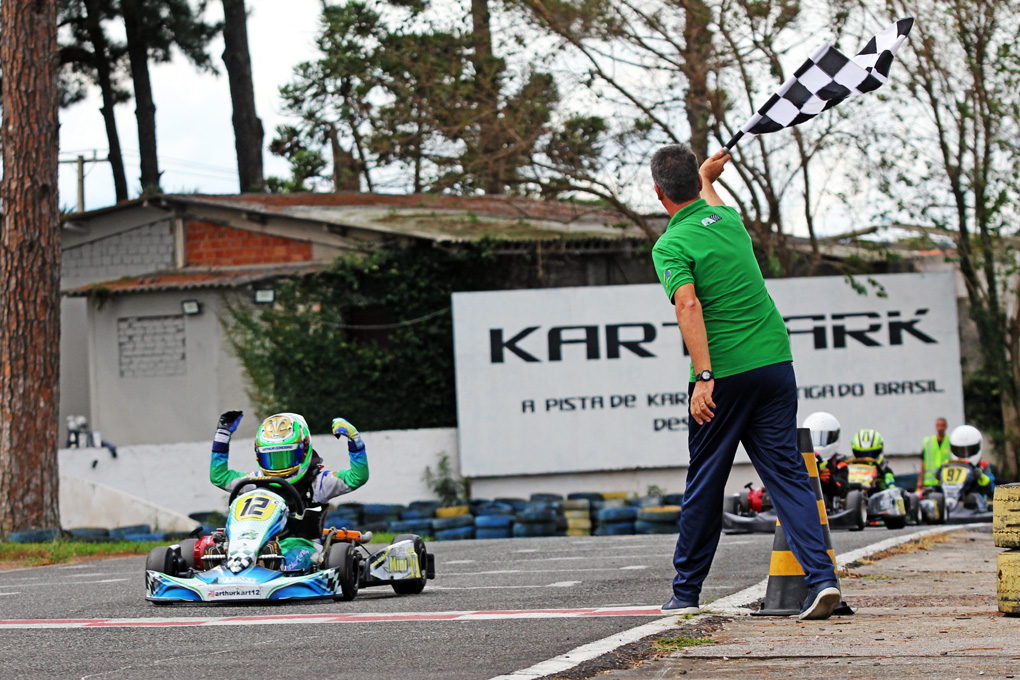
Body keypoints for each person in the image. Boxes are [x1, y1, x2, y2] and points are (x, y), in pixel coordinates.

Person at [650, 144, 840, 620]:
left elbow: (688, 306)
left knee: (707, 481)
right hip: (775, 363)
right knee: (788, 476)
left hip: (727, 374)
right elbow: (710, 206)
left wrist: (704, 376)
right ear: (697, 183)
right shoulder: (729, 222)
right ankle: (822, 580)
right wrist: (710, 178)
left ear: (658, 193)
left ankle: (686, 592)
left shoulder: (670, 245)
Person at [210, 410, 369, 571]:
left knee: (288, 564)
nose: (280, 466)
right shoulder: (255, 480)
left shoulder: (318, 481)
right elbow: (219, 476)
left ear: (304, 450)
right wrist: (222, 436)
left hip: (302, 544)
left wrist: (355, 441)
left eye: (286, 457)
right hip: (253, 542)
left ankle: (271, 569)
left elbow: (357, 477)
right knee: (206, 549)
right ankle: (243, 564)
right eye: (272, 459)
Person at [804, 412, 848, 500]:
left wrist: (829, 481)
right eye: (815, 437)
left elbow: (841, 489)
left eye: (823, 437)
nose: (819, 443)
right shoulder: (800, 461)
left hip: (826, 503)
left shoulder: (839, 464)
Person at [946, 424, 995, 495]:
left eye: (969, 450)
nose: (965, 454)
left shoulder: (982, 465)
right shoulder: (949, 466)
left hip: (977, 501)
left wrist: (981, 477)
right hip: (955, 500)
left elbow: (992, 487)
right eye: (961, 451)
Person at [918, 417, 951, 491]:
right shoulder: (929, 442)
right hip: (930, 481)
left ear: (946, 426)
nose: (940, 428)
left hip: (946, 481)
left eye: (942, 425)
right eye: (938, 425)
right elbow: (923, 462)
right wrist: (920, 480)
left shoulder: (950, 442)